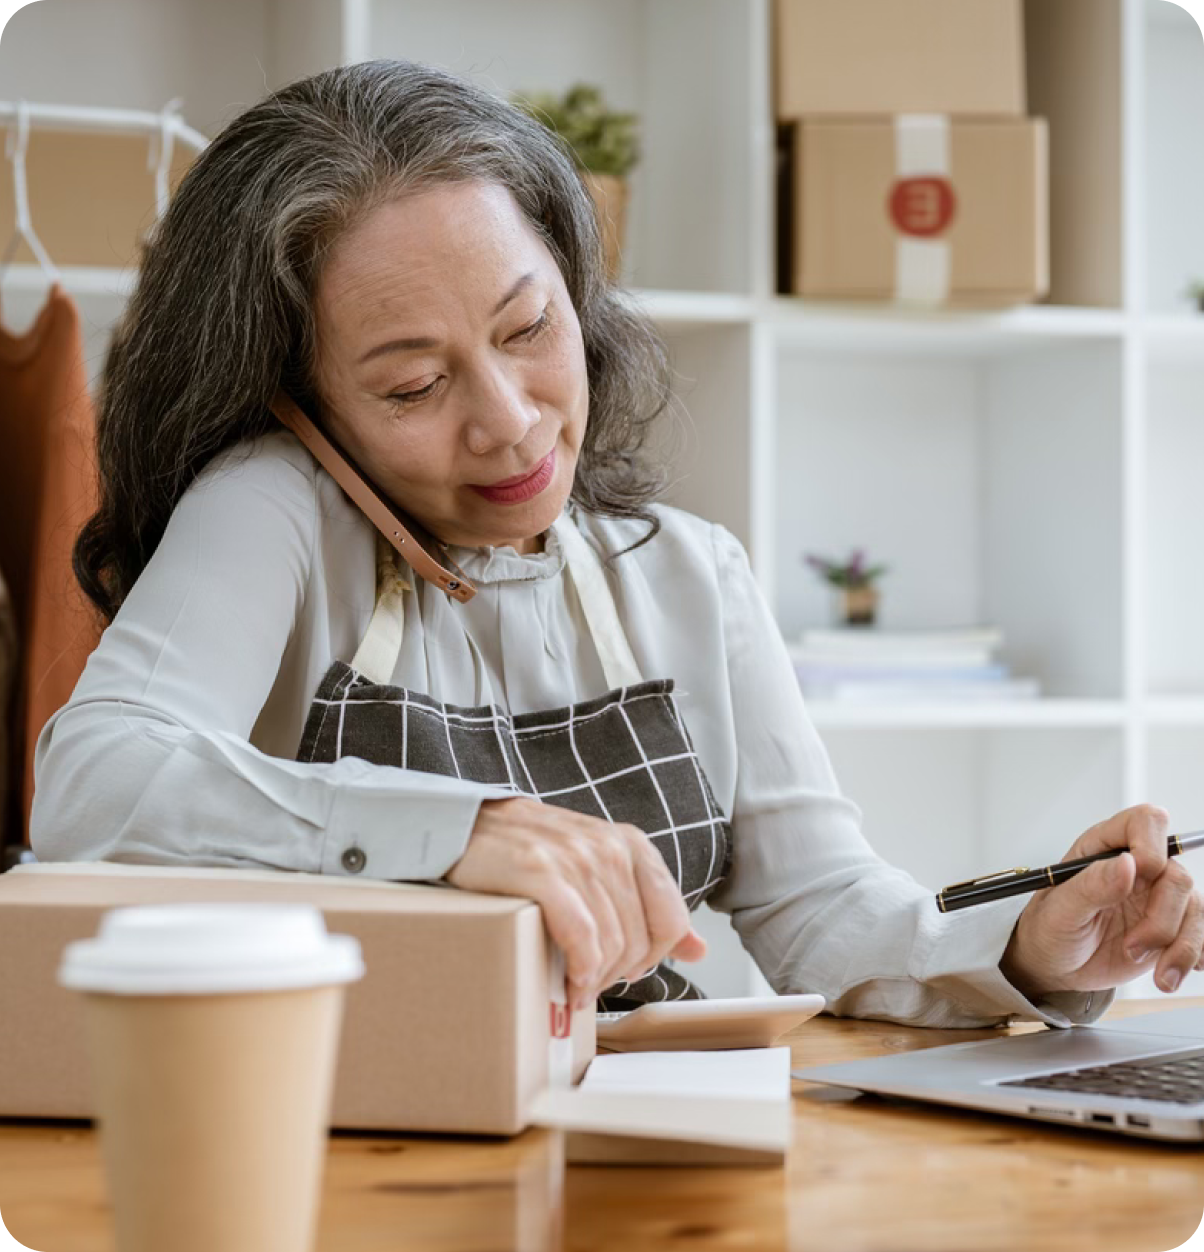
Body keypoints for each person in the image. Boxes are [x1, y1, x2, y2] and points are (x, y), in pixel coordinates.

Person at [31, 60, 1204, 1022]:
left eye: (528, 327)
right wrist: (460, 833)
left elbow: (823, 911)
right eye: (411, 385)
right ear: (301, 404)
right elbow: (93, 783)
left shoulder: (690, 571)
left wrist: (1031, 946)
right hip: (369, 1140)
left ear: (577, 291)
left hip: (648, 1138)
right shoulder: (275, 506)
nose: (509, 419)